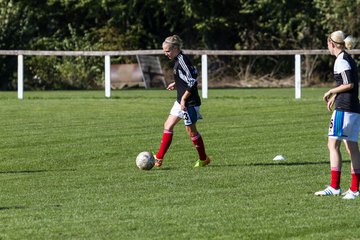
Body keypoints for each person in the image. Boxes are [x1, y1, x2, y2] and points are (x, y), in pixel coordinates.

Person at [315, 30, 360, 199]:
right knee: (352, 148)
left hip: (344, 109)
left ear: (331, 43)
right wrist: (335, 95)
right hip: (354, 107)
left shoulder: (341, 60)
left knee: (333, 145)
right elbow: (350, 84)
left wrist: (331, 90)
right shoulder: (348, 58)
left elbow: (348, 84)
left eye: (327, 43)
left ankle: (336, 187)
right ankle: (354, 189)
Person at [153, 35, 210, 168]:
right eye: (164, 51)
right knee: (168, 125)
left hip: (189, 102)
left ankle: (203, 159)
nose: (165, 53)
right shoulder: (178, 60)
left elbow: (193, 81)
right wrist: (177, 83)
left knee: (191, 131)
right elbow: (186, 78)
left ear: (176, 48)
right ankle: (159, 158)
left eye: (167, 51)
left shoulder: (183, 61)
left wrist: (184, 99)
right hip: (181, 101)